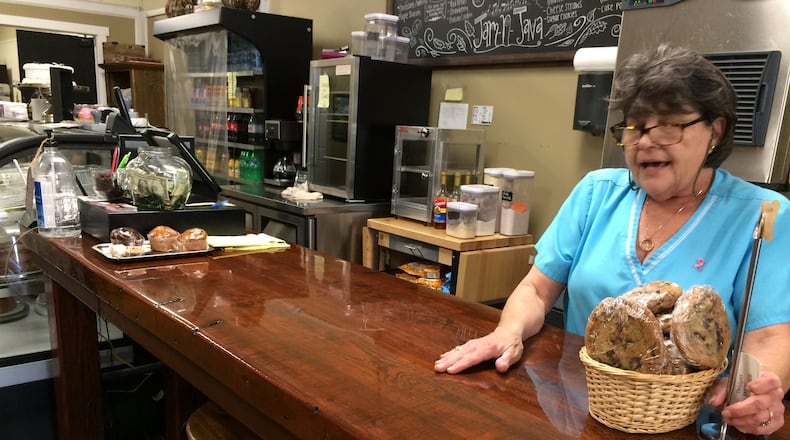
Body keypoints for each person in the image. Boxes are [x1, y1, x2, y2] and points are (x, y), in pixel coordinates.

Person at [433, 43, 790, 435]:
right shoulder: (596, 192)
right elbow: (537, 290)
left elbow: (771, 334)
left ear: (714, 131)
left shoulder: (760, 214)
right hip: (579, 410)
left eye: (669, 124)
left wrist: (756, 394)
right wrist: (508, 333)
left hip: (682, 422)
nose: (645, 141)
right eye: (634, 126)